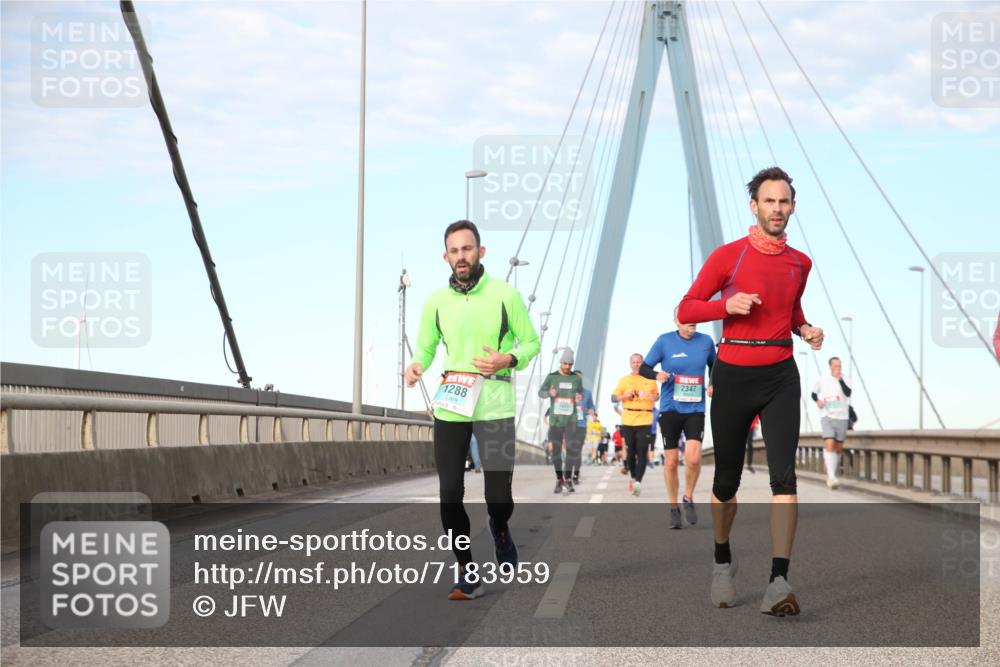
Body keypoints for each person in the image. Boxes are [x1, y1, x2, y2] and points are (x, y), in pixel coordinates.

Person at [677, 167, 824, 616]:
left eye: (784, 202)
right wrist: (726, 305)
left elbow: (791, 306)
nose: (777, 209)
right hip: (734, 373)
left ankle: (779, 581)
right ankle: (722, 560)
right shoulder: (729, 257)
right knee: (726, 482)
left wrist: (805, 329)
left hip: (780, 374)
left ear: (792, 207)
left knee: (785, 478)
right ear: (754, 207)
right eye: (769, 201)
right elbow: (685, 308)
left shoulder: (801, 262)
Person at [406, 220, 540, 600]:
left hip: (494, 403)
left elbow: (531, 342)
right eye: (454, 250)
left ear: (481, 252)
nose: (461, 256)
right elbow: (426, 347)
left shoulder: (505, 295)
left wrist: (508, 358)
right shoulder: (435, 302)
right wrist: (418, 365)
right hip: (452, 403)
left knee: (498, 495)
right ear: (445, 256)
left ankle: (499, 527)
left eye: (467, 249)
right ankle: (466, 569)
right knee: (450, 491)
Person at [641, 307, 717, 529]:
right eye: (687, 319)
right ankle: (673, 507)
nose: (693, 321)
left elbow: (715, 365)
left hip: (695, 408)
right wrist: (657, 375)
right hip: (670, 409)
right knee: (672, 461)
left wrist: (713, 382)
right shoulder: (664, 341)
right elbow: (645, 367)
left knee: (693, 459)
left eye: (695, 318)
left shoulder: (706, 341)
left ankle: (688, 497)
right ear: (676, 321)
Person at [611, 354, 659, 497]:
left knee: (642, 451)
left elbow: (657, 396)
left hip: (645, 419)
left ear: (642, 363)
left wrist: (648, 396)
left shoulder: (650, 379)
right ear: (630, 364)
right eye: (634, 362)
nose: (636, 364)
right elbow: (613, 397)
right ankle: (633, 477)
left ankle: (638, 481)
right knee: (631, 452)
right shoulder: (624, 380)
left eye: (639, 362)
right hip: (628, 420)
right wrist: (624, 396)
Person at [539, 349, 584, 494]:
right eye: (565, 363)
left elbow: (581, 393)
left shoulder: (576, 379)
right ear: (561, 362)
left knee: (571, 448)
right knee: (556, 451)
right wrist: (549, 393)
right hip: (556, 420)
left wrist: (579, 397)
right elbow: (541, 392)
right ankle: (559, 479)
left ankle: (569, 479)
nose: (567, 367)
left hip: (571, 419)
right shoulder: (552, 377)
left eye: (570, 364)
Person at [811, 357, 852, 489]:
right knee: (829, 443)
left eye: (839, 366)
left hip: (842, 416)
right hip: (827, 415)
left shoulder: (845, 378)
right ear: (830, 367)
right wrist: (817, 401)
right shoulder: (822, 379)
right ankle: (831, 477)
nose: (838, 369)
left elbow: (848, 392)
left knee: (838, 448)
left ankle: (833, 473)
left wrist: (840, 379)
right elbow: (813, 393)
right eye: (835, 366)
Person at [569, 370, 596, 485]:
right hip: (568, 424)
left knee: (577, 450)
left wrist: (592, 412)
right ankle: (568, 474)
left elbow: (592, 407)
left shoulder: (588, 393)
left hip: (581, 425)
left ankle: (575, 475)